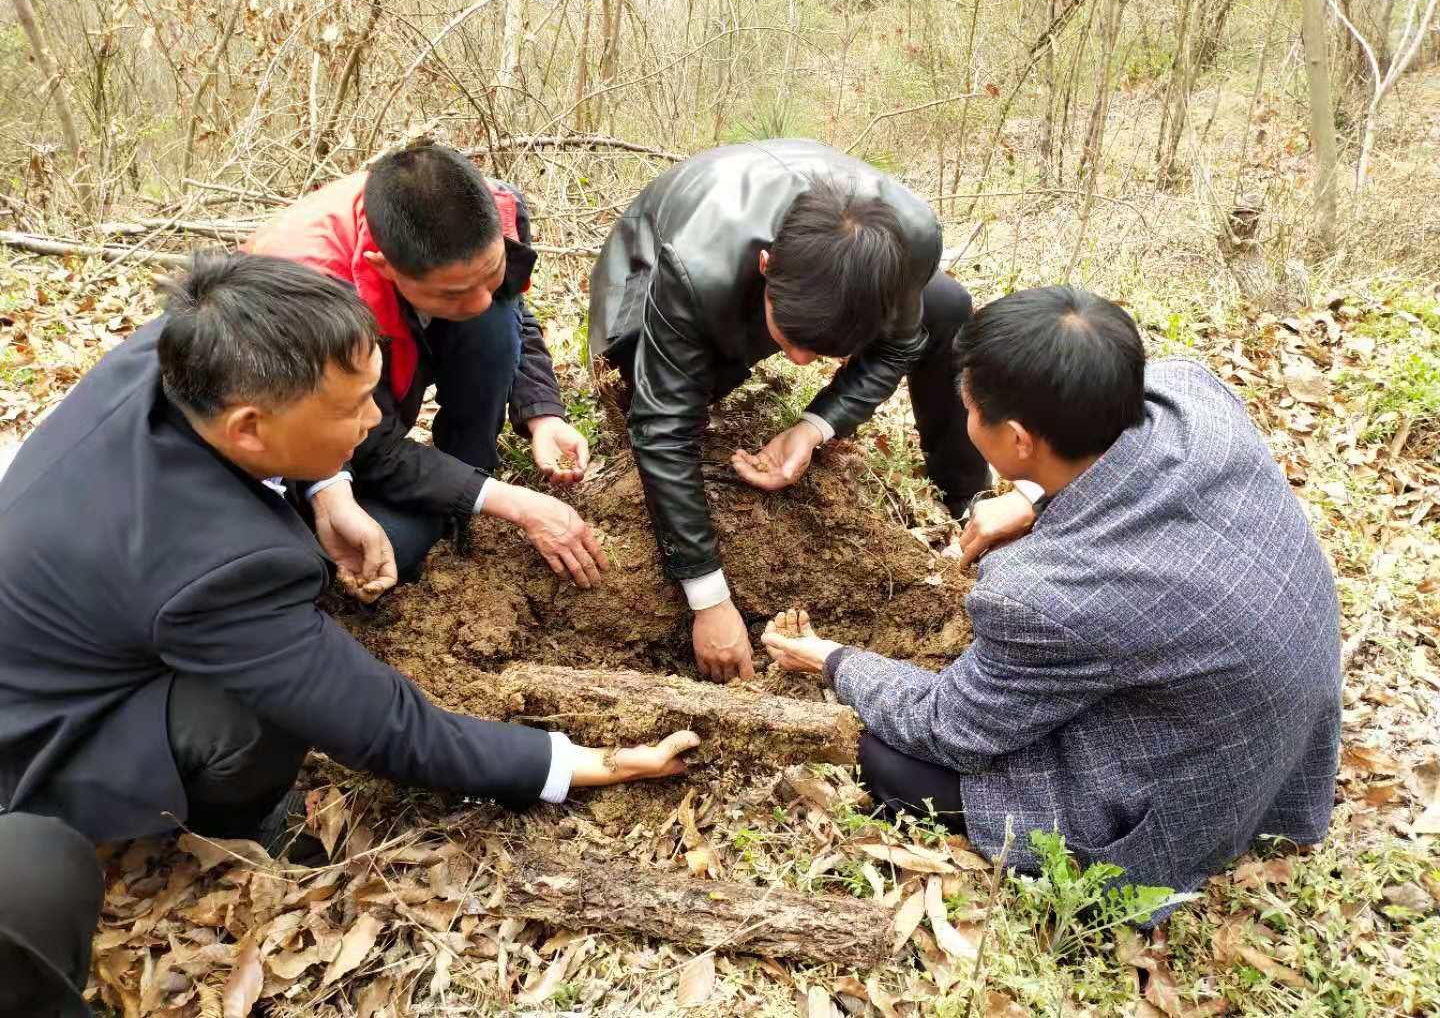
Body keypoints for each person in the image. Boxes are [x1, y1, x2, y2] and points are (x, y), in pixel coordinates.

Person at [0, 253, 698, 1017]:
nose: (374, 422)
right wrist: (572, 761)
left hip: (61, 611)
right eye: (356, 406)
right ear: (251, 428)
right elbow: (386, 725)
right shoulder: (218, 564)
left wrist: (325, 486)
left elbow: (302, 453)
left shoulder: (184, 350)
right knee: (260, 716)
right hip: (38, 736)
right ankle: (231, 822)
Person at [761, 285, 1341, 898]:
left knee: (891, 761)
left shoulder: (1047, 595)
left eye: (968, 404)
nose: (964, 411)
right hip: (1282, 712)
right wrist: (1032, 495)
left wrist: (831, 659)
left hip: (1196, 779)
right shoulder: (1193, 395)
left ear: (1016, 440)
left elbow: (947, 727)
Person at [589, 139, 1025, 684]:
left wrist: (813, 427)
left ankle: (964, 496)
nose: (798, 361)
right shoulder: (693, 267)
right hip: (657, 249)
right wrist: (707, 596)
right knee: (646, 385)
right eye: (792, 341)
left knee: (946, 306)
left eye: (823, 352)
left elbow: (900, 343)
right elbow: (662, 428)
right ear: (766, 269)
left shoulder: (912, 238)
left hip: (817, 250)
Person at [248, 143, 606, 586]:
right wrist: (517, 505)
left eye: (489, 273)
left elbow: (515, 316)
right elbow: (369, 443)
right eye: (451, 293)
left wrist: (543, 414)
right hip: (315, 435)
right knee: (388, 550)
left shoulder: (483, 214)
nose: (476, 301)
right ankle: (457, 498)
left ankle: (468, 480)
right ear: (382, 267)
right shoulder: (308, 292)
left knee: (493, 321)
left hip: (378, 376)